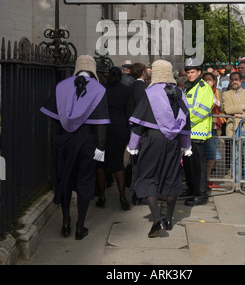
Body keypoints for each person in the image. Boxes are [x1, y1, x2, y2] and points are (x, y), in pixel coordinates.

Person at [40, 55, 110, 240]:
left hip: (64, 139)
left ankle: (65, 222)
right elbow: (101, 123)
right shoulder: (99, 89)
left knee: (65, 179)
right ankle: (80, 227)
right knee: (85, 181)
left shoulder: (62, 86)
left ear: (77, 68)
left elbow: (52, 116)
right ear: (93, 69)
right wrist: (101, 147)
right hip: (87, 141)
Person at [127, 59, 192, 238]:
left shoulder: (149, 92)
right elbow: (186, 120)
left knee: (148, 177)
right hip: (173, 142)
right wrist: (186, 145)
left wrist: (133, 145)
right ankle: (169, 219)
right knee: (171, 177)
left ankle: (157, 220)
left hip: (152, 141)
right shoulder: (179, 92)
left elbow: (138, 123)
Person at [96, 66, 135, 210]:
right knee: (119, 163)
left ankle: (101, 196)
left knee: (100, 164)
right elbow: (130, 112)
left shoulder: (101, 90)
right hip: (120, 129)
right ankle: (123, 196)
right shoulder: (126, 90)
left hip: (103, 129)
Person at [183, 58, 214, 206]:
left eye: (192, 72)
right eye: (188, 72)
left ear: (199, 72)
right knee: (189, 164)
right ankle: (191, 188)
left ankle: (201, 194)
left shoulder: (204, 88)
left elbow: (201, 111)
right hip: (188, 132)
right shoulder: (188, 87)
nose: (190, 75)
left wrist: (184, 123)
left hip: (197, 132)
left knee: (198, 165)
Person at [223, 71, 245, 191]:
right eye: (232, 80)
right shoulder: (226, 94)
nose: (234, 82)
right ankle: (236, 182)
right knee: (235, 157)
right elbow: (227, 109)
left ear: (241, 80)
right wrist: (243, 106)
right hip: (233, 128)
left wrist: (242, 115)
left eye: (236, 79)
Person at [203, 71, 224, 189]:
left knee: (212, 154)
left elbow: (222, 107)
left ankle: (208, 179)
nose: (207, 82)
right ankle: (206, 179)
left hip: (214, 125)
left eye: (209, 80)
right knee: (209, 155)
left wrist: (217, 101)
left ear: (214, 81)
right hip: (203, 126)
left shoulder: (218, 92)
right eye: (205, 80)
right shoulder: (201, 91)